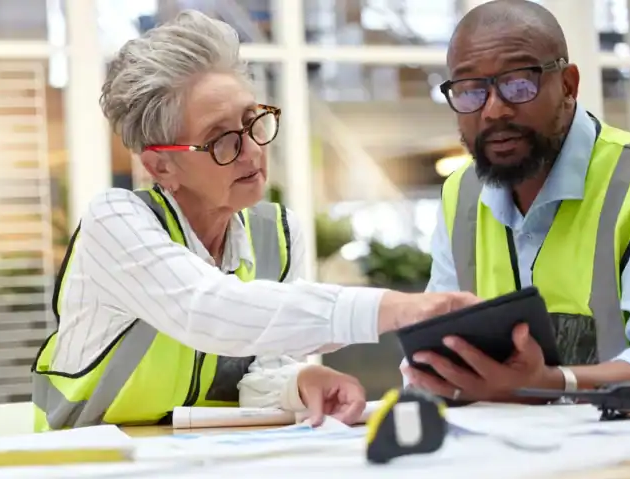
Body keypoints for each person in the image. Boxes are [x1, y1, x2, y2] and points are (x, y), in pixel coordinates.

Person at [31, 10, 480, 431]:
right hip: (82, 458)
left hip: (191, 457)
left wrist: (297, 383)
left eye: (253, 122)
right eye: (221, 139)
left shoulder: (276, 235)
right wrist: (396, 308)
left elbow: (256, 371)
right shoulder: (116, 221)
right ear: (161, 166)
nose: (251, 150)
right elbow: (208, 309)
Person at [403, 0, 630, 403]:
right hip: (499, 452)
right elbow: (441, 334)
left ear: (569, 86)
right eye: (470, 91)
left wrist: (554, 382)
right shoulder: (461, 194)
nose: (493, 110)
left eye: (520, 84)